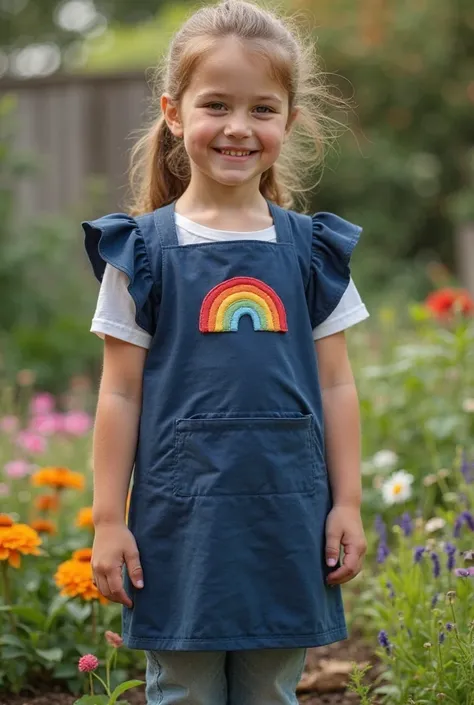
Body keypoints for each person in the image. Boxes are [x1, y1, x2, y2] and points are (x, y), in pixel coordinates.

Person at [82, 1, 369, 703]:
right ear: (175, 112)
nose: (239, 127)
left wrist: (350, 501)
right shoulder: (141, 253)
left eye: (262, 109)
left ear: (288, 122)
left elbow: (335, 384)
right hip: (181, 525)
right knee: (183, 687)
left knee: (273, 688)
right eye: (217, 104)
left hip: (285, 516)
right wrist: (110, 519)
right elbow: (119, 392)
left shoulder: (313, 252)